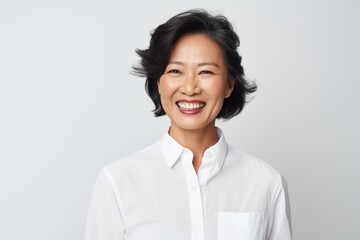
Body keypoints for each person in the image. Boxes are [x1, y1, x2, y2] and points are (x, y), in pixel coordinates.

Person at [85, 9, 292, 240]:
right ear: (159, 83)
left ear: (229, 84)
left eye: (205, 72)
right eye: (175, 71)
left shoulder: (266, 183)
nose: (190, 88)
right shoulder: (118, 181)